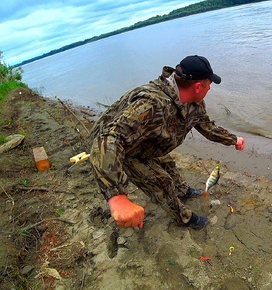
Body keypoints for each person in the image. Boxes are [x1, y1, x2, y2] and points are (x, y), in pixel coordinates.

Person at [89, 55, 245, 230]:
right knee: (162, 183)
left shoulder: (195, 103)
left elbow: (207, 126)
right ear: (198, 86)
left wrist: (233, 140)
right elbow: (107, 139)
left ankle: (182, 191)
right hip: (125, 152)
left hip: (148, 146)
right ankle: (183, 218)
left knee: (169, 165)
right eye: (209, 85)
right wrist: (117, 198)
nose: (210, 89)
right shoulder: (151, 105)